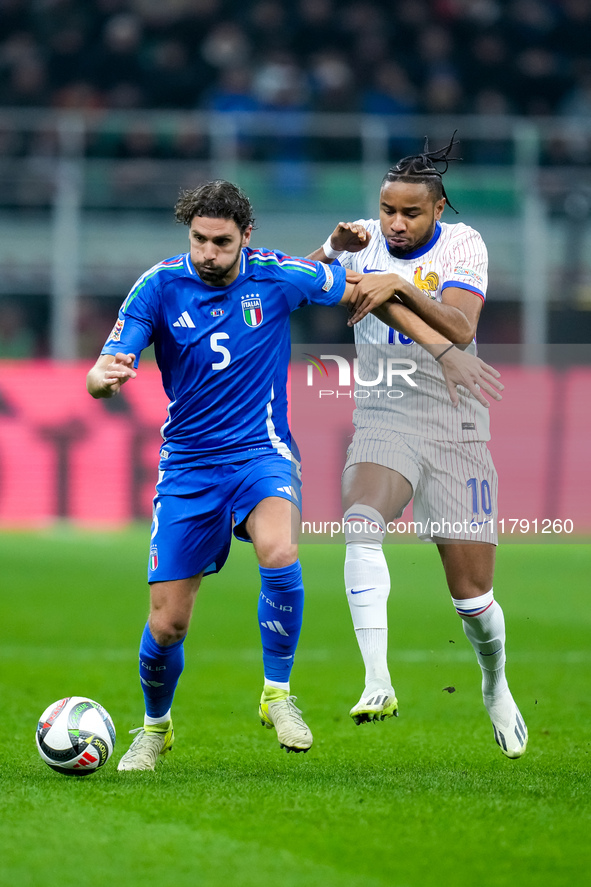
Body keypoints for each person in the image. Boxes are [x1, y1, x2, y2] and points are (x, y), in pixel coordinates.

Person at [87, 179, 503, 771]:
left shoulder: (276, 275)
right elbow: (103, 369)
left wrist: (442, 350)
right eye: (200, 240)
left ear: (245, 238)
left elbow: (362, 291)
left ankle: (278, 695)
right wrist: (103, 379)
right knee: (168, 625)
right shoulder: (157, 287)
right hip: (188, 467)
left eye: (222, 243)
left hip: (262, 454)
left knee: (280, 552)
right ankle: (155, 727)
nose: (208, 253)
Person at [307, 136, 528, 759]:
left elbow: (460, 327)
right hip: (384, 413)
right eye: (387, 210)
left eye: (409, 213)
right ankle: (377, 680)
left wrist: (395, 287)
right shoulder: (363, 242)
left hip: (457, 425)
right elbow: (286, 288)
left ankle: (494, 681)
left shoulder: (465, 244)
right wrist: (330, 250)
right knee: (359, 522)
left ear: (437, 211)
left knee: (474, 602)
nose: (394, 224)